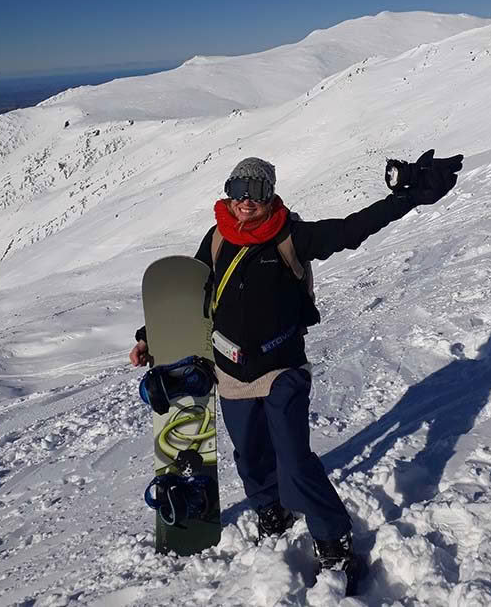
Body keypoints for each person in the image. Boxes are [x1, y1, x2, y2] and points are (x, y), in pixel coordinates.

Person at [129, 151, 463, 590]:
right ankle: (270, 509)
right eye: (239, 190)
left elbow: (352, 230)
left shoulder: (291, 237)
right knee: (249, 454)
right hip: (229, 370)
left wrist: (407, 198)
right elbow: (190, 295)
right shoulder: (216, 239)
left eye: (259, 190)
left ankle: (333, 541)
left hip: (282, 366)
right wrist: (149, 337)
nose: (248, 200)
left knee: (294, 460)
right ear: (227, 194)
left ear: (272, 194)